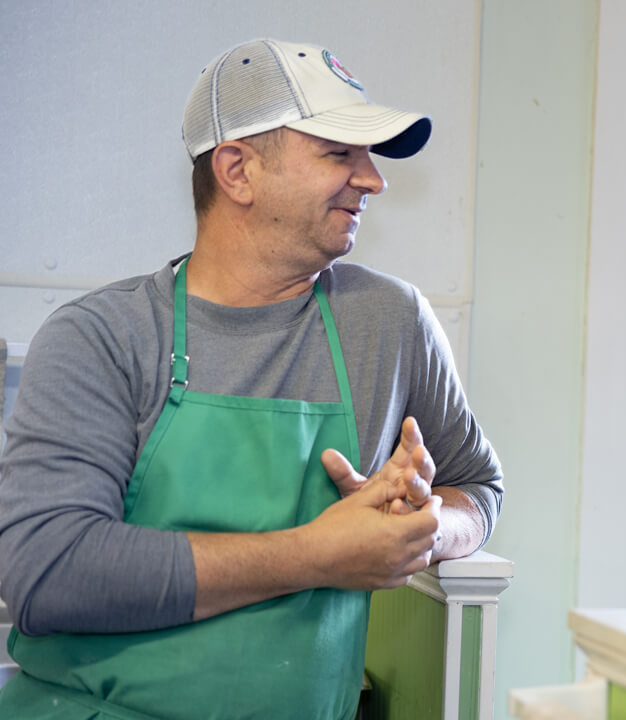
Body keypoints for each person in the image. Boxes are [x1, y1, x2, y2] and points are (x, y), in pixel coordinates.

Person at [0, 38, 503, 719]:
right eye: (339, 153)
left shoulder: (389, 321)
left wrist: (422, 531)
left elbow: (477, 486)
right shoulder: (101, 337)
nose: (374, 180)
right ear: (238, 171)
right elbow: (48, 572)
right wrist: (317, 555)